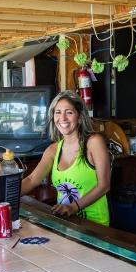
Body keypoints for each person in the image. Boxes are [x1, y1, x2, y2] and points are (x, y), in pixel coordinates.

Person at [21, 90, 110, 226]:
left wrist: (73, 207)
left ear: (79, 117)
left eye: (69, 112)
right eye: (58, 112)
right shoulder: (53, 150)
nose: (62, 118)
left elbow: (104, 186)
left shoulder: (94, 142)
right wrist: (4, 196)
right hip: (66, 222)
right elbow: (32, 179)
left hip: (95, 225)